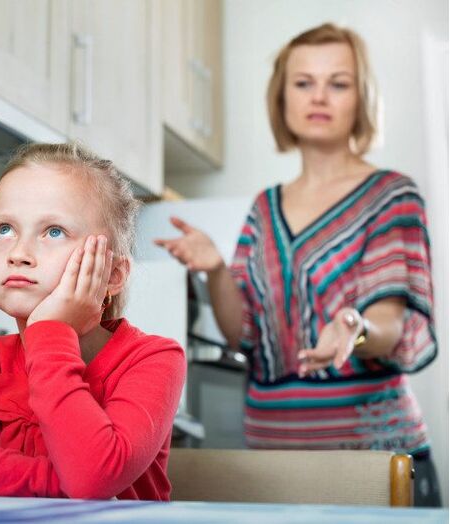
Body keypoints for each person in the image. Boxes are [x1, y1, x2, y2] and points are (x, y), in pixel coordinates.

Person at [154, 23, 440, 506]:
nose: (319, 96)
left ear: (362, 98)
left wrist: (353, 324)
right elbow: (240, 333)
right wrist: (217, 271)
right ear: (282, 98)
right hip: (271, 465)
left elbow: (391, 322)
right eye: (303, 82)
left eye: (339, 83)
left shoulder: (392, 195)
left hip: (373, 463)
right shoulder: (264, 210)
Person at [0, 143, 186, 500]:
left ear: (113, 274)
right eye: (5, 230)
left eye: (54, 231)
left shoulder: (154, 359)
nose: (18, 254)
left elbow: (94, 476)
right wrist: (60, 482)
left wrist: (49, 333)